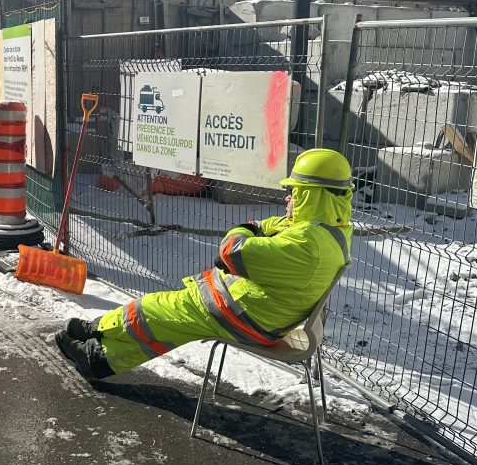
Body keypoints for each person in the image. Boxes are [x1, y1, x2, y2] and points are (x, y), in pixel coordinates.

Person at [53, 148, 354, 382]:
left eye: (296, 192)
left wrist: (245, 228)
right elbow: (267, 226)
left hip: (241, 316)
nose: (288, 198)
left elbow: (231, 251)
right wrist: (254, 228)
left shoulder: (305, 242)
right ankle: (98, 358)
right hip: (257, 313)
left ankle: (95, 329)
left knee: (153, 308)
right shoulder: (329, 230)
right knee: (169, 325)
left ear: (313, 195)